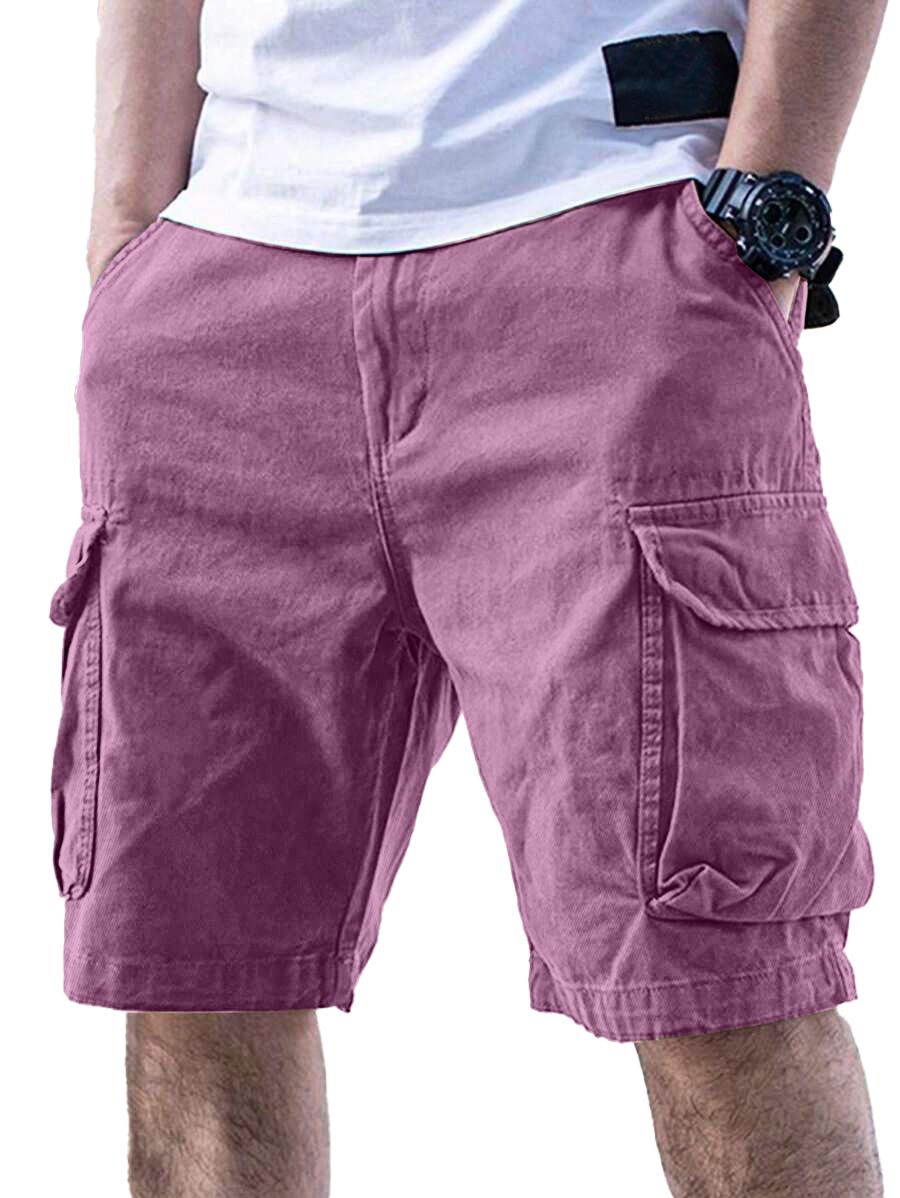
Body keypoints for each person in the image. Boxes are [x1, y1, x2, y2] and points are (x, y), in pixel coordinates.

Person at [49, 2, 887, 1194]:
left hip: (606, 251)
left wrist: (766, 212)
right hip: (222, 291)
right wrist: (129, 232)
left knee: (721, 980)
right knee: (193, 977)